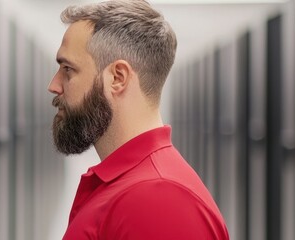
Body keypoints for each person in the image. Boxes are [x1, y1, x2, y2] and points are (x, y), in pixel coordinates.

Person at [47, 1, 229, 239]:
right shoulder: (133, 187)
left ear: (117, 78)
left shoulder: (159, 201)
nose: (53, 86)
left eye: (68, 69)